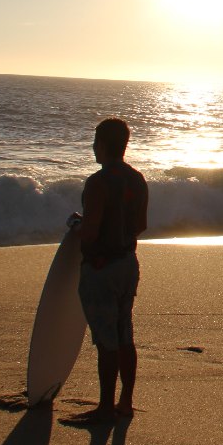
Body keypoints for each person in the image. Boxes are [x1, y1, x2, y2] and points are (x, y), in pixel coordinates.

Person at [73, 117, 148, 423]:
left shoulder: (98, 182)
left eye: (94, 142)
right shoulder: (137, 179)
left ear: (102, 144)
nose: (93, 148)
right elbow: (140, 226)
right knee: (124, 334)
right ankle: (125, 402)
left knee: (106, 340)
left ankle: (105, 408)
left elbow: (90, 232)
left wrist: (78, 230)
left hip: (102, 268)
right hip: (128, 263)